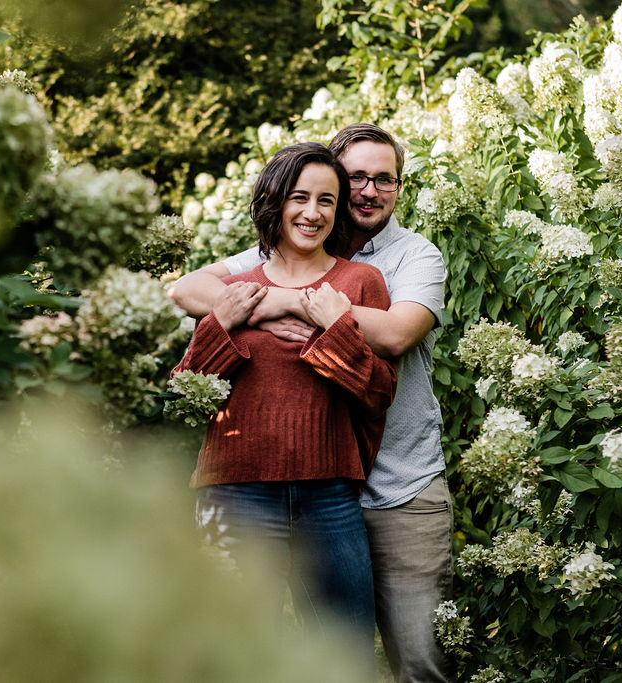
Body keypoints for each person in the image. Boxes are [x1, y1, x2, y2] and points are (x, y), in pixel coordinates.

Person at [169, 124, 452, 683]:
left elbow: (386, 364)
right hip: (241, 489)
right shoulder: (246, 277)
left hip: (369, 485)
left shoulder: (383, 269)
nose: (364, 192)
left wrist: (328, 328)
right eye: (354, 180)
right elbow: (189, 369)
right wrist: (244, 313)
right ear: (277, 200)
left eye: (383, 180)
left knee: (376, 657)